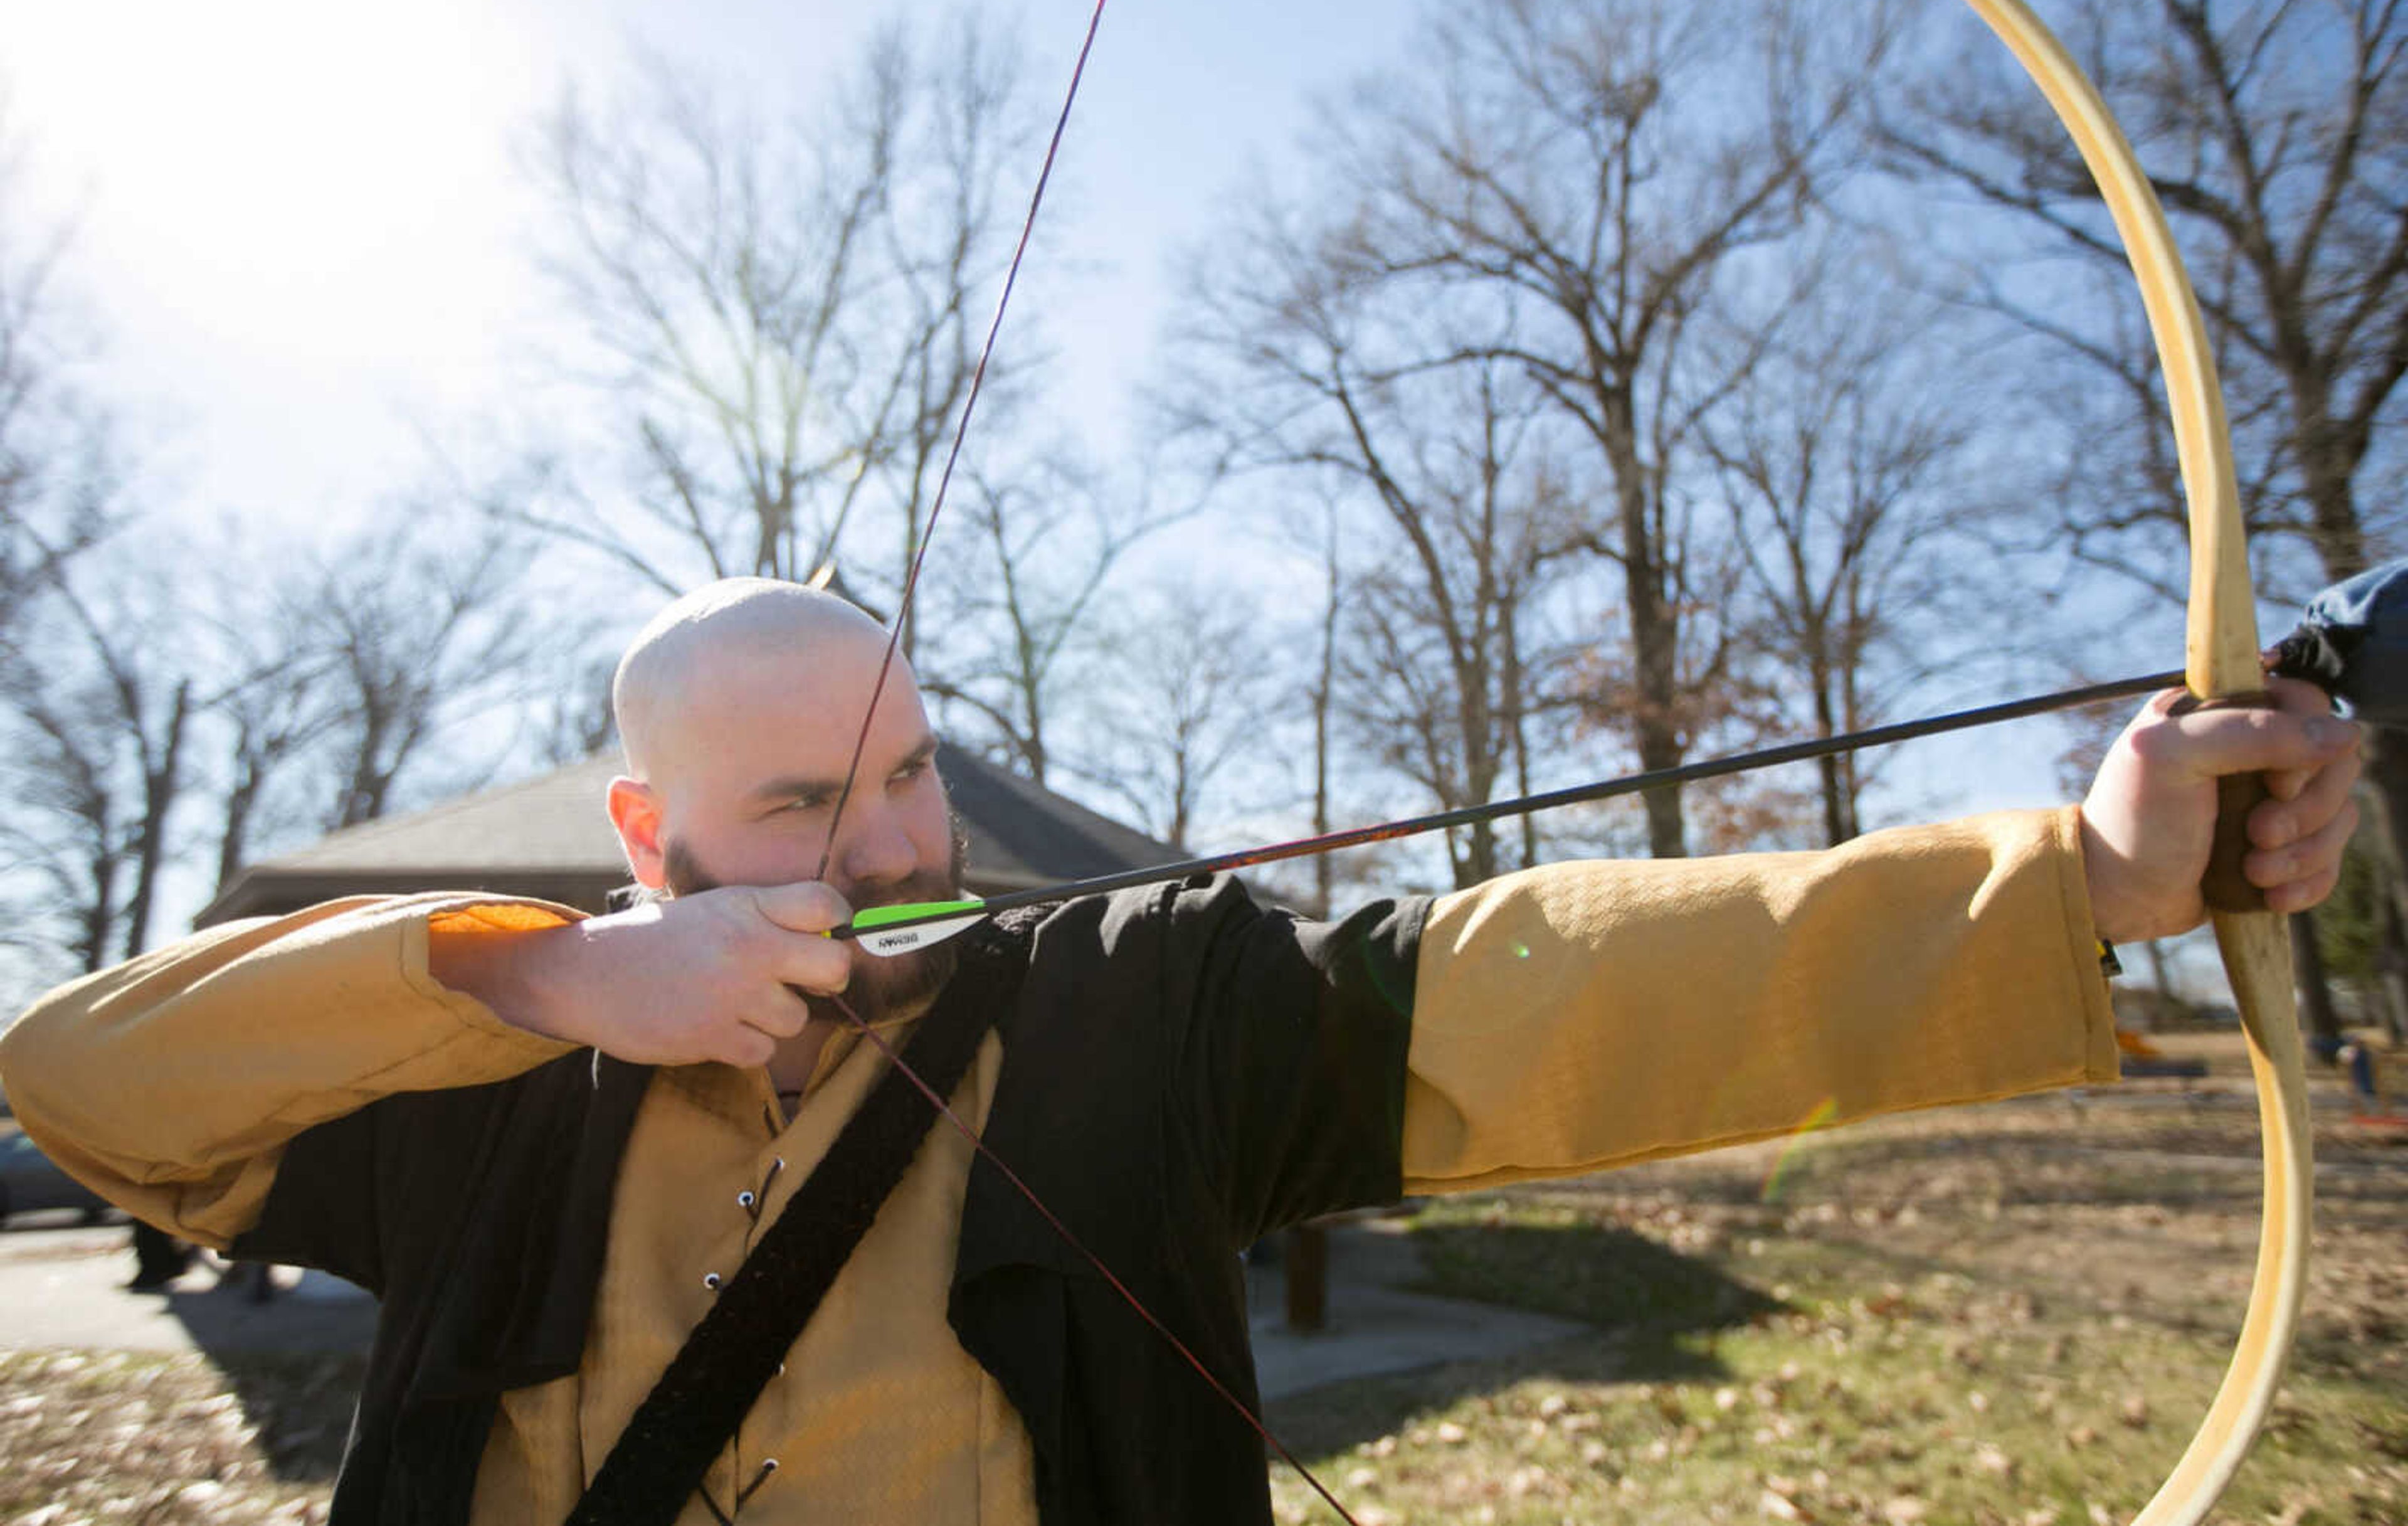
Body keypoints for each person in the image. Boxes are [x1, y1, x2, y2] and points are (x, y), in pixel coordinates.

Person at [0, 578, 2361, 1526]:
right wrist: (536, 979)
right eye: (808, 806)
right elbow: (82, 1081)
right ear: (647, 831)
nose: (900, 836)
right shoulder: (483, 1080)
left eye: (912, 769)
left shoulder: (1128, 1001)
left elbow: (1545, 985)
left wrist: (2083, 881)